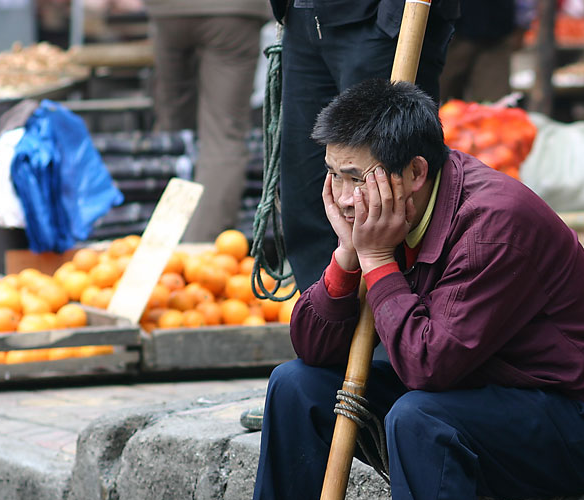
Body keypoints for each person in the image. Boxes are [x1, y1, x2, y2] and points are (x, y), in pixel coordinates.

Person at [179, 78, 584, 500]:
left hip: (570, 420)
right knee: (296, 384)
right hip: (472, 385)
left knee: (418, 414)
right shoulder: (384, 214)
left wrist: (374, 258)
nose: (342, 196)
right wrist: (349, 256)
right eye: (332, 175)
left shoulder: (495, 223)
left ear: (415, 173)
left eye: (354, 176)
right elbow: (313, 346)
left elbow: (430, 367)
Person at [268, 0, 460, 293]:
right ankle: (326, 324)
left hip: (378, 18)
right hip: (304, 15)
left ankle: (395, 326)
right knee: (306, 199)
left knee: (384, 192)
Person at [144, 0, 271, 242]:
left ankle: (161, 247)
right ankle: (196, 251)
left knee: (175, 134)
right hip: (231, 12)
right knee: (223, 134)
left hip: (167, 11)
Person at [438, 0, 522, 104]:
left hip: (496, 35)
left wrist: (522, 21)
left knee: (492, 106)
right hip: (450, 33)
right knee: (435, 101)